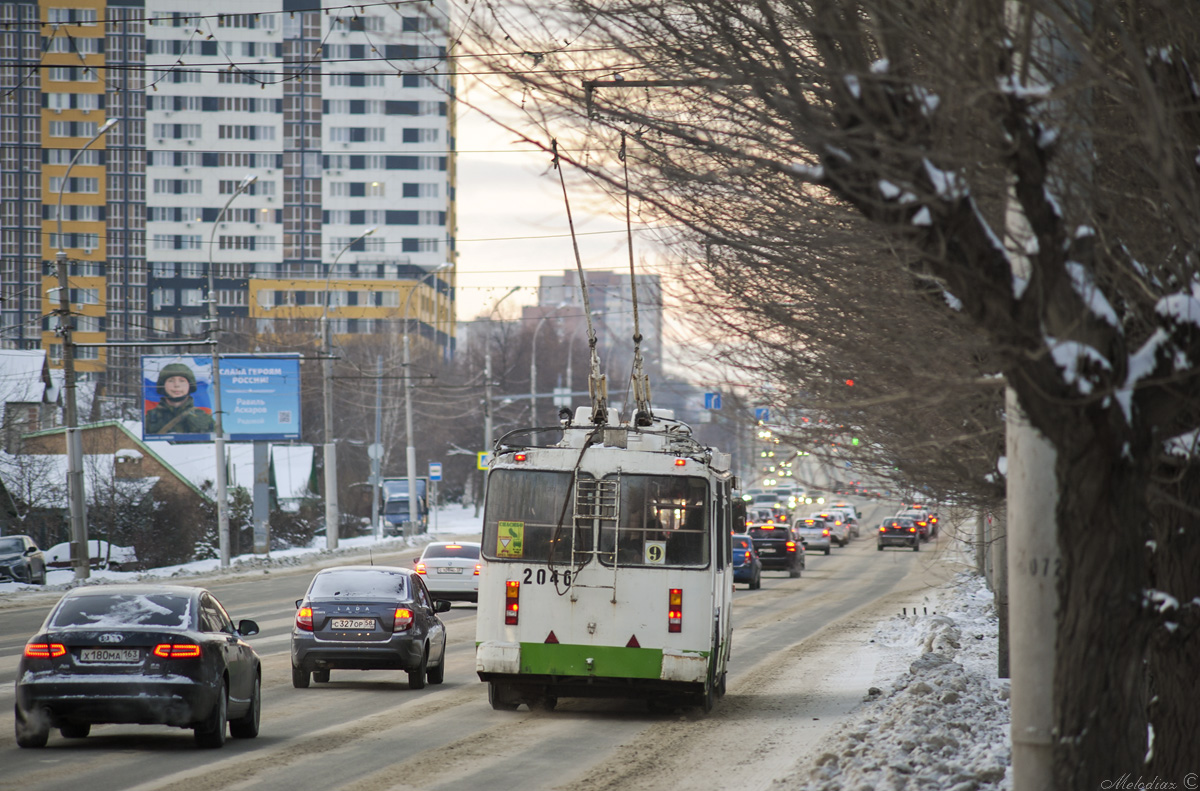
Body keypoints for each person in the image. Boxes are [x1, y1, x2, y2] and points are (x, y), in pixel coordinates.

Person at [145, 362, 215, 434]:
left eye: (182, 381)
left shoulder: (205, 419)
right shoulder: (149, 419)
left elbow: (220, 442)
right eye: (171, 381)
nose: (177, 385)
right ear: (163, 386)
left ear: (189, 386)